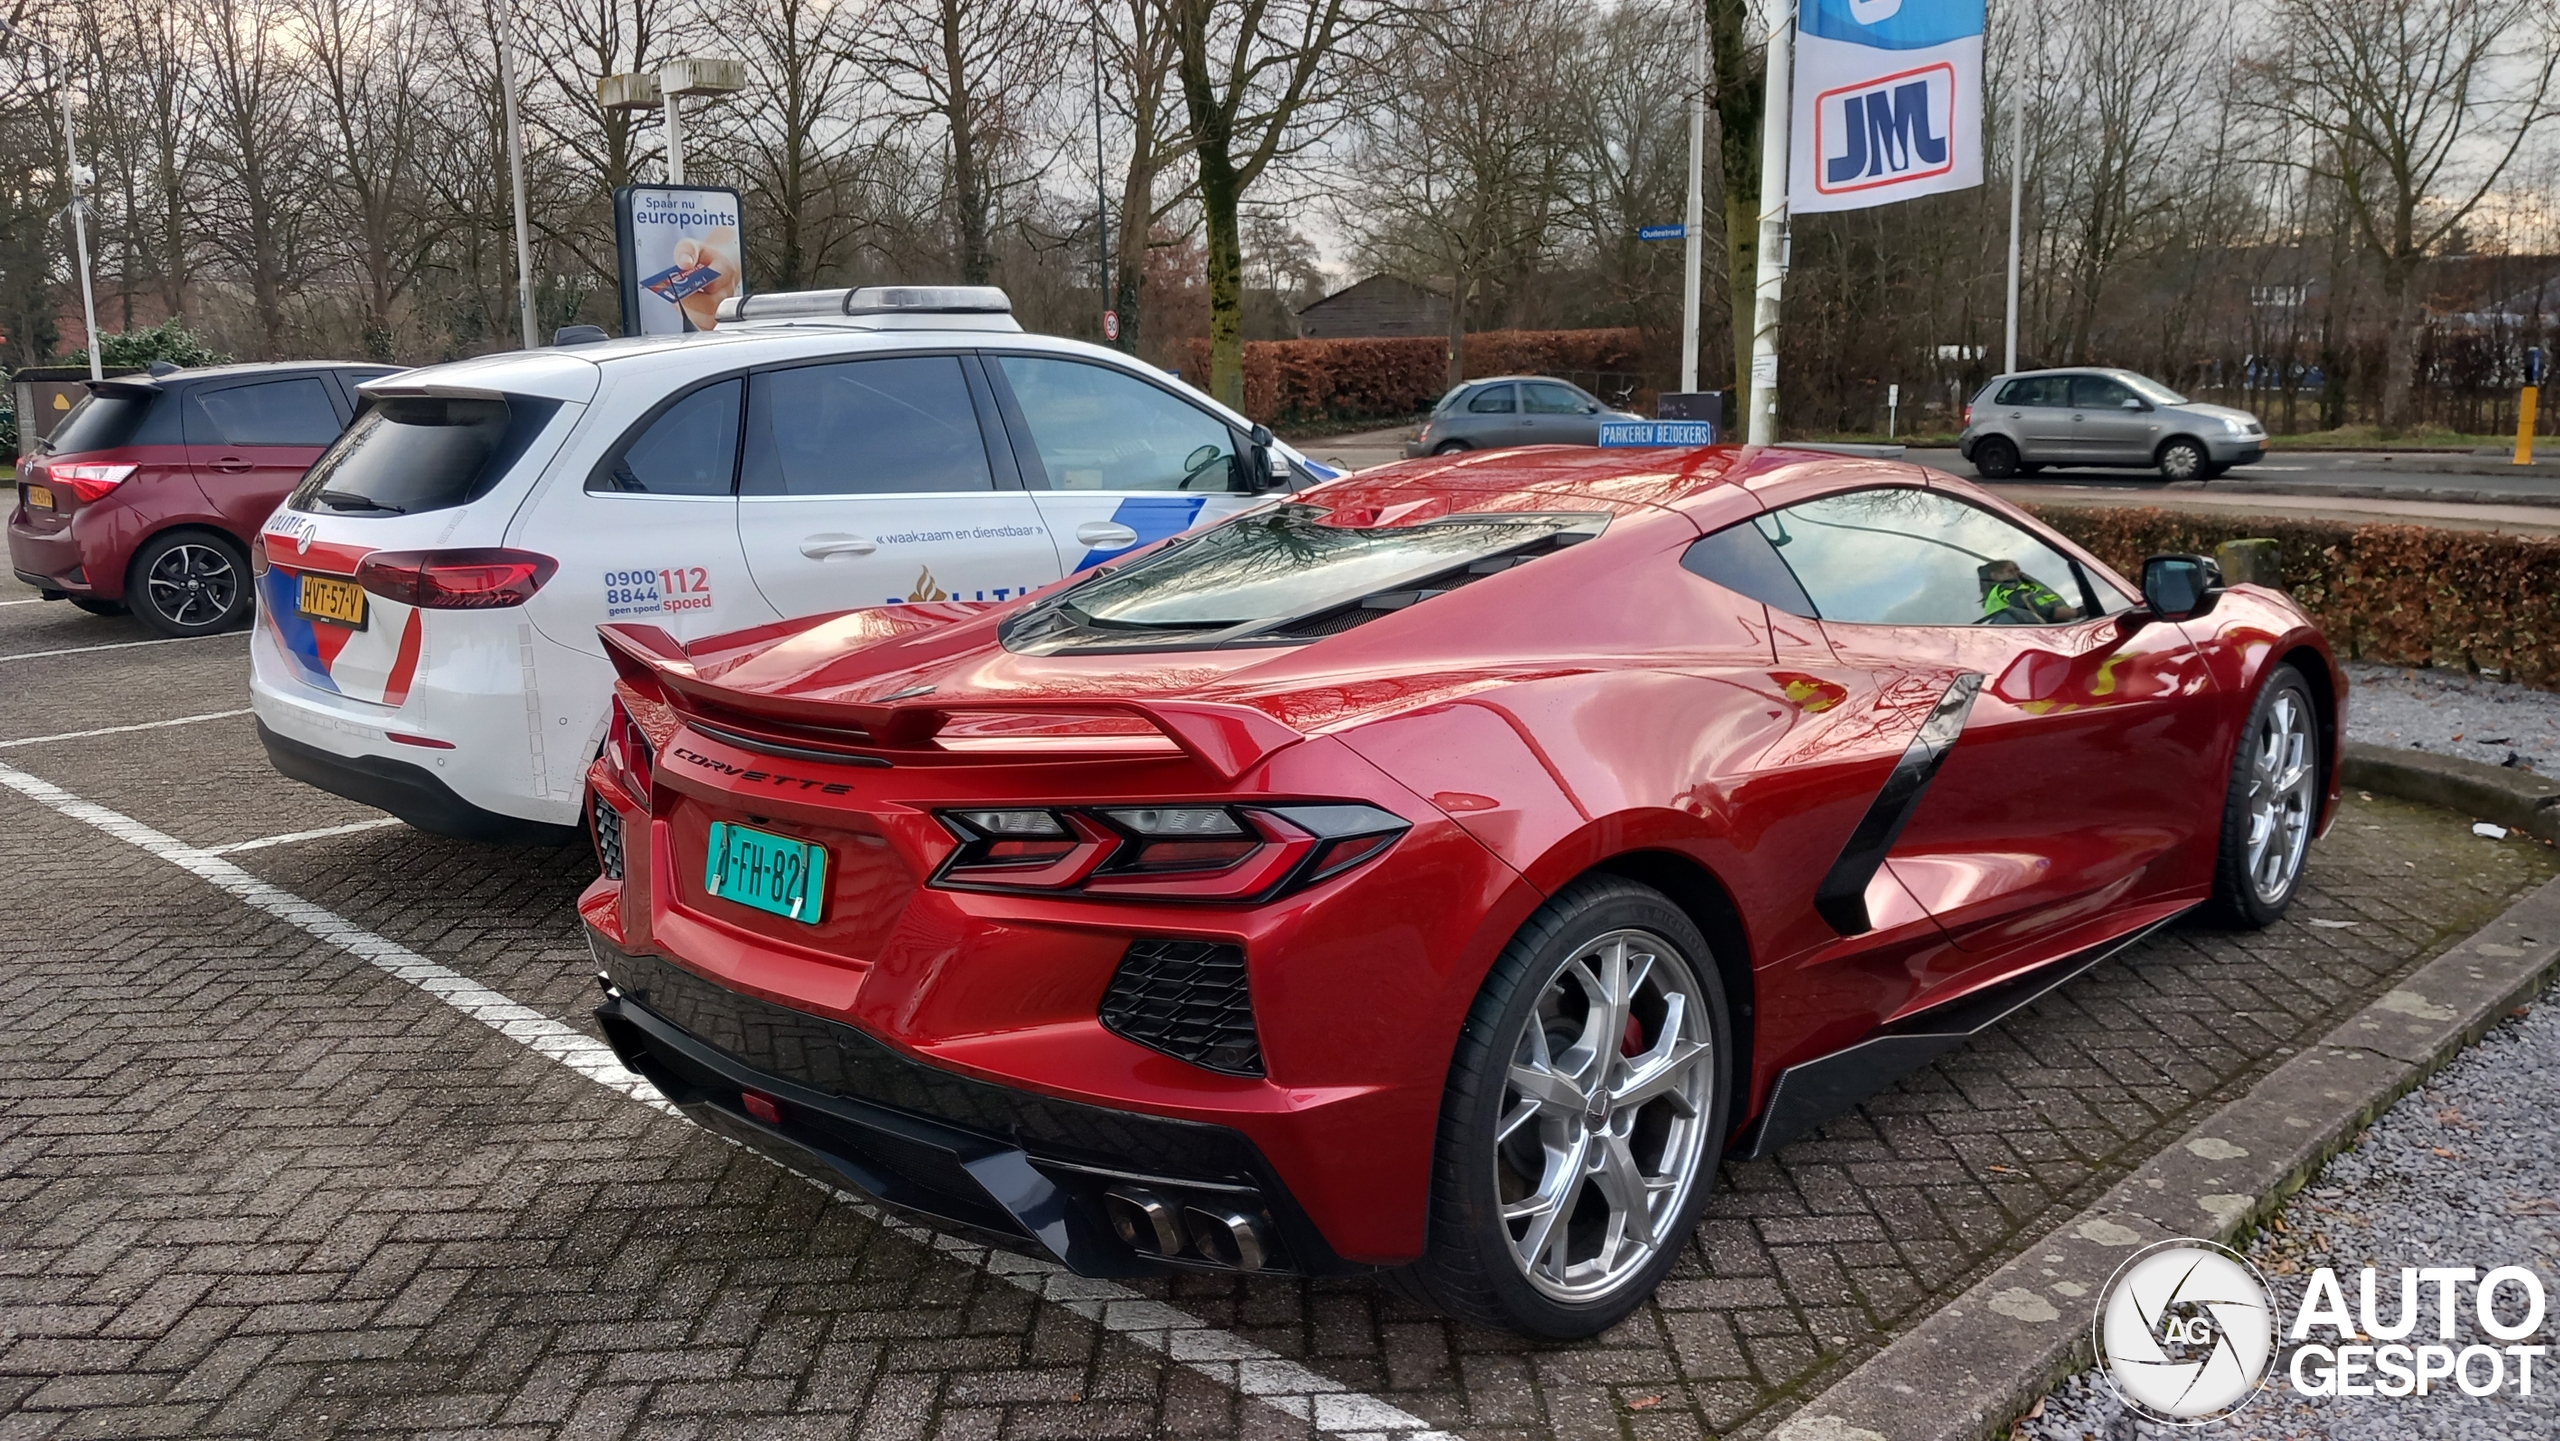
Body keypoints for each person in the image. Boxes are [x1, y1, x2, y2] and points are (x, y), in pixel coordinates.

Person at [1979, 558, 2081, 623]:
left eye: (2018, 569)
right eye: (2011, 571)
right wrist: (2078, 612)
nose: (2019, 573)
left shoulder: (1995, 595)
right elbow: (2042, 612)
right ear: (1995, 576)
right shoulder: (2008, 589)